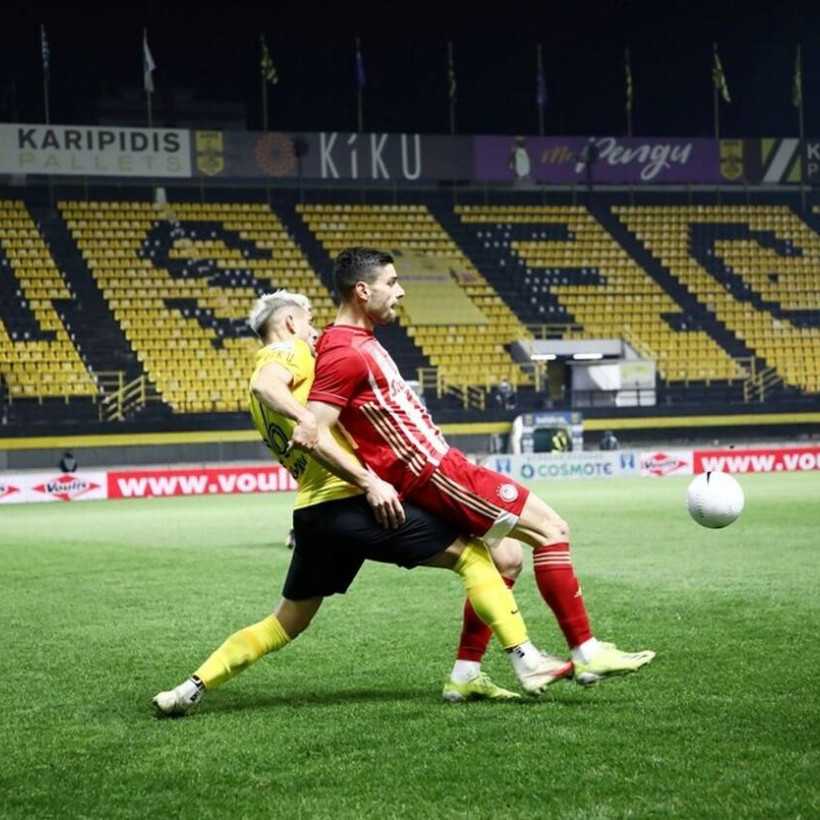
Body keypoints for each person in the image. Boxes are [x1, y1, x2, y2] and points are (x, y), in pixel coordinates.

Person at [153, 291, 570, 717]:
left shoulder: (258, 391)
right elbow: (269, 384)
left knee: (286, 622)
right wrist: (318, 430)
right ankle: (525, 661)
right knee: (475, 556)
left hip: (313, 515)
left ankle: (190, 688)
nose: (316, 331)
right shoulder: (289, 352)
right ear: (291, 323)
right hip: (350, 504)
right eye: (310, 322)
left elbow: (268, 392)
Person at [305, 248, 655, 686]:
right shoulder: (345, 350)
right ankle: (587, 652)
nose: (401, 291)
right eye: (391, 283)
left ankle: (466, 674)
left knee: (506, 558)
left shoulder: (357, 342)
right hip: (435, 472)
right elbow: (312, 431)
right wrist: (368, 481)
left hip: (434, 470)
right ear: (362, 290)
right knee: (552, 529)